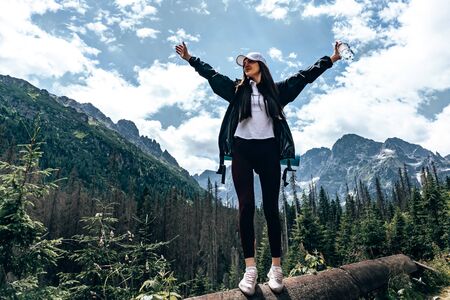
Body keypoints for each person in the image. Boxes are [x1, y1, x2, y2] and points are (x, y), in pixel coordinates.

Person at [175, 41, 342, 296]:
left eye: (249, 62)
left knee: (272, 210)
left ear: (261, 65)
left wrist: (332, 58)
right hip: (242, 151)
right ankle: (250, 269)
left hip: (268, 152)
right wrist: (190, 58)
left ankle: (276, 268)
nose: (245, 65)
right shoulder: (237, 90)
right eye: (243, 63)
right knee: (246, 207)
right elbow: (212, 74)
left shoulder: (277, 91)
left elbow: (306, 76)